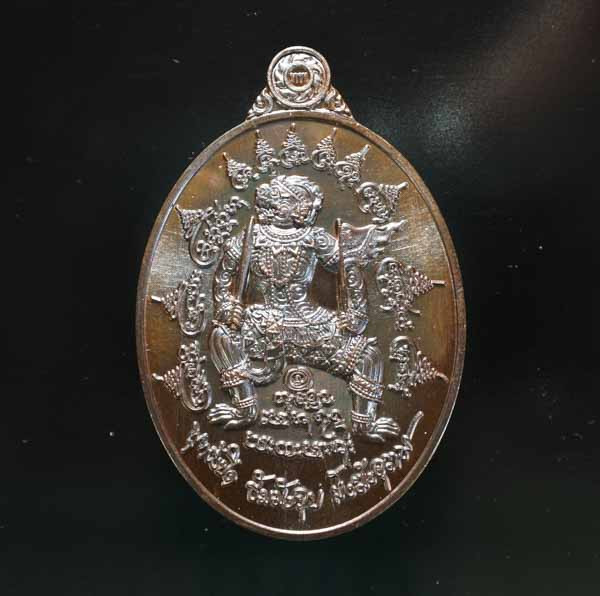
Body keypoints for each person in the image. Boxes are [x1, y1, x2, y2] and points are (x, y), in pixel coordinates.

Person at [208, 174, 402, 442]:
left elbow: (346, 270)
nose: (279, 204)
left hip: (310, 325)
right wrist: (228, 307)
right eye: (280, 199)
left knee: (368, 355)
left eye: (290, 200)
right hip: (262, 325)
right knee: (221, 335)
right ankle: (245, 409)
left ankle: (363, 425)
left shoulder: (314, 238)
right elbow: (223, 279)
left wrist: (356, 313)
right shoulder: (249, 238)